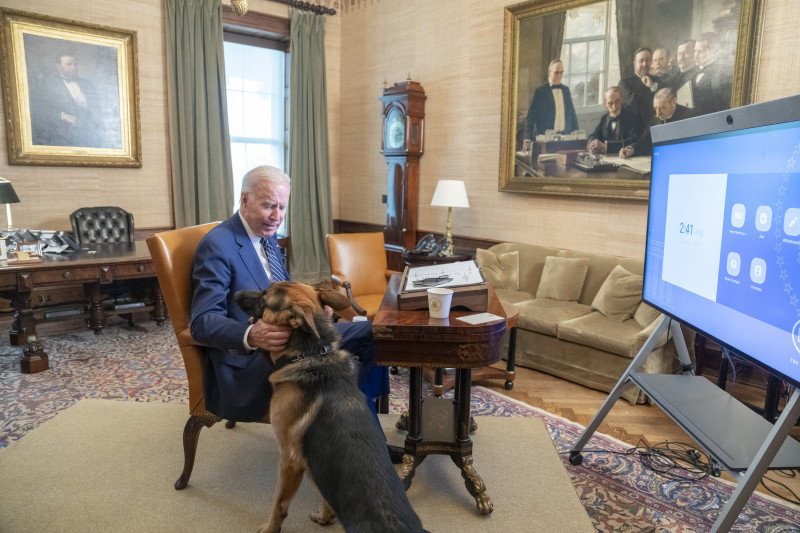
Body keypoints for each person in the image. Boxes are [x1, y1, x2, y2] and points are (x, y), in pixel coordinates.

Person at [189, 165, 390, 428]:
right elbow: (202, 322)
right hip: (251, 361)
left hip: (297, 342)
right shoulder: (218, 245)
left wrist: (316, 306)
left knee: (383, 334)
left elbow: (284, 292)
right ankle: (359, 425)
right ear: (245, 199)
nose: (277, 216)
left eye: (282, 207)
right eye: (269, 205)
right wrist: (251, 335)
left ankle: (356, 416)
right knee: (340, 368)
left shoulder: (266, 235)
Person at [29, 53, 104, 148]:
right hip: (64, 134)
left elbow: (97, 109)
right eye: (69, 64)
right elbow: (39, 110)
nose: (73, 67)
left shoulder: (88, 84)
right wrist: (63, 115)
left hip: (90, 132)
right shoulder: (48, 85)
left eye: (75, 64)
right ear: (59, 66)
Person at [622, 87, 693, 158]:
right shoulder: (655, 119)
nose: (658, 113)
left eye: (662, 108)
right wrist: (631, 149)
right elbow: (646, 141)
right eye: (655, 108)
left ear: (673, 102)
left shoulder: (689, 117)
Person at [522, 59, 580, 145]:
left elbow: (572, 114)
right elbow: (531, 116)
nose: (559, 75)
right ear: (549, 72)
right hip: (545, 140)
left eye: (561, 72)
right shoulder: (540, 91)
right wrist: (527, 138)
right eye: (556, 72)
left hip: (565, 138)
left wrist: (578, 135)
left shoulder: (566, 90)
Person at [587, 87, 645, 158]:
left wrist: (606, 146)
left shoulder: (633, 116)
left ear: (622, 100)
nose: (614, 107)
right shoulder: (605, 118)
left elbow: (633, 140)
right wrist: (592, 143)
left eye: (617, 102)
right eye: (610, 103)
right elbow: (592, 135)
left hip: (627, 159)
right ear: (605, 103)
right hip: (607, 159)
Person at [618, 47, 663, 123]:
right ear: (635, 64)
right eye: (641, 61)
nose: (645, 64)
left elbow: (665, 101)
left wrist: (652, 86)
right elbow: (635, 103)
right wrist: (653, 92)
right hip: (634, 127)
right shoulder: (624, 83)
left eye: (648, 60)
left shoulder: (657, 80)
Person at [692, 32, 731, 115]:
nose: (696, 55)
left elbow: (725, 106)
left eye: (701, 52)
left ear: (715, 52)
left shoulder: (721, 74)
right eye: (695, 51)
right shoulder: (693, 72)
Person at [665, 39, 698, 108]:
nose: (681, 58)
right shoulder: (674, 76)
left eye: (686, 53)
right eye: (679, 54)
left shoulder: (698, 76)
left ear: (694, 54)